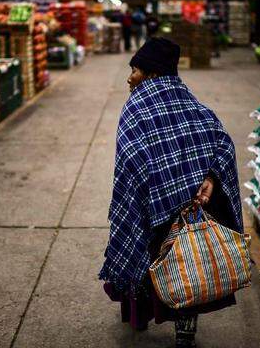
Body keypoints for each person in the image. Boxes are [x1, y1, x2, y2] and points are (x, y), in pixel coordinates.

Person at [99, 37, 242, 348]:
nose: (129, 77)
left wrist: (203, 180)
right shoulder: (194, 105)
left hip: (155, 209)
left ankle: (145, 319)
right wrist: (210, 179)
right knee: (185, 267)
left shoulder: (136, 109)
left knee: (155, 261)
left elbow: (131, 161)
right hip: (186, 207)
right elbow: (223, 145)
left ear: (151, 74)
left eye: (134, 70)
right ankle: (184, 331)